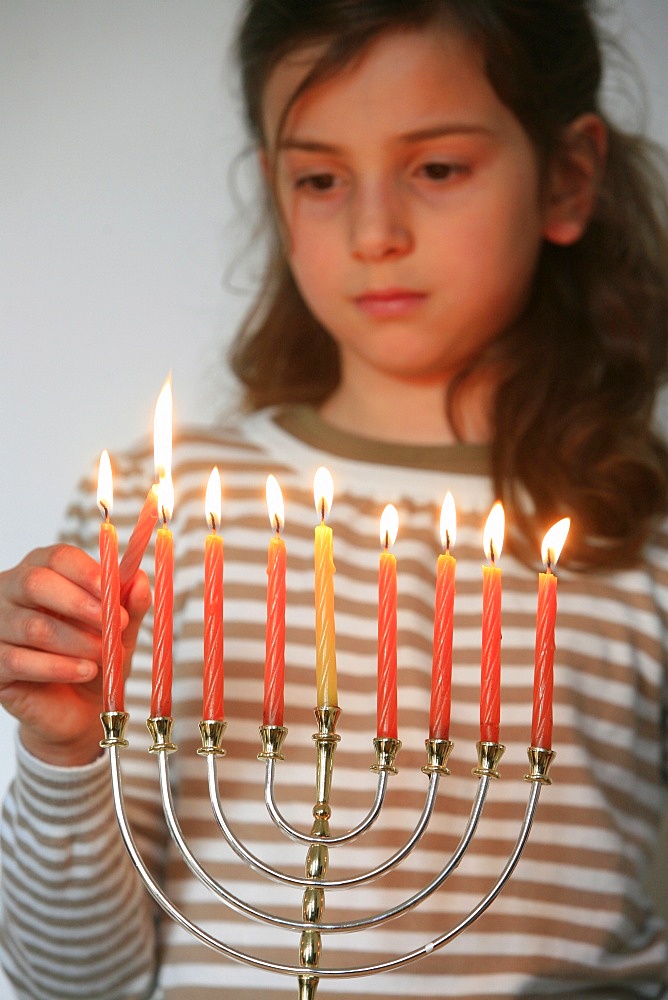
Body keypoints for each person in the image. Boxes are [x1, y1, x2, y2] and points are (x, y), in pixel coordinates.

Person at [1, 1, 667, 997]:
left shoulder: (643, 542)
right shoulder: (160, 511)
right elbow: (73, 981)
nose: (373, 232)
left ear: (566, 177)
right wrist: (62, 749)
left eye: (436, 168)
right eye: (319, 177)